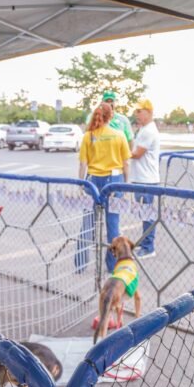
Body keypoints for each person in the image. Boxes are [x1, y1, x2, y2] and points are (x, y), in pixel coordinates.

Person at [75, 102, 131, 273]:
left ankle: (80, 264)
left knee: (87, 223)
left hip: (92, 182)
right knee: (113, 225)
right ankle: (112, 265)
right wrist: (126, 185)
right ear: (111, 116)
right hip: (114, 181)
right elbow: (126, 162)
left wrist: (81, 184)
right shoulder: (119, 135)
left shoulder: (88, 136)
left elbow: (83, 163)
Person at [130, 99, 161, 258]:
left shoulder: (148, 131)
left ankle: (149, 247)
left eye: (139, 111)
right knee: (144, 213)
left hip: (146, 179)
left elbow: (137, 153)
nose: (137, 115)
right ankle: (144, 242)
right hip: (142, 177)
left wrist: (120, 153)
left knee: (147, 214)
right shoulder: (144, 129)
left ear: (148, 112)